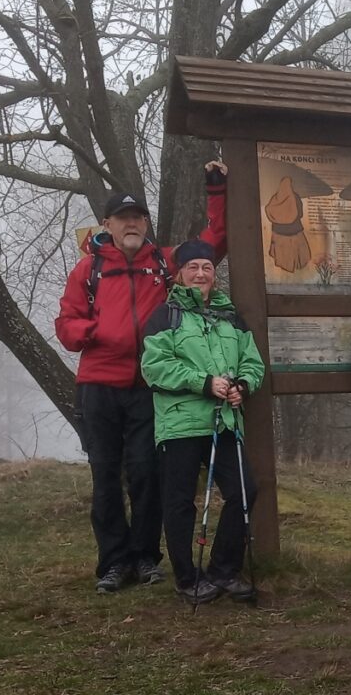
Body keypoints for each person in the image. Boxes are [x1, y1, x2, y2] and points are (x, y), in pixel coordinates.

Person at [55, 162, 229, 594]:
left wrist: (216, 189)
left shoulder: (166, 263)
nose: (130, 225)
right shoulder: (88, 270)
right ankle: (114, 562)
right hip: (98, 387)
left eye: (138, 219)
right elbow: (66, 325)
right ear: (108, 224)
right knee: (106, 476)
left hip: (149, 388)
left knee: (147, 473)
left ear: (146, 225)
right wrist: (99, 333)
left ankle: (147, 557)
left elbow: (214, 242)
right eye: (122, 219)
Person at [140, 239, 265, 606]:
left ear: (214, 274)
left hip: (224, 422)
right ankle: (186, 577)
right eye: (192, 267)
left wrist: (243, 385)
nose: (200, 273)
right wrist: (204, 382)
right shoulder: (165, 315)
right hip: (179, 425)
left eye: (206, 268)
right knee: (179, 502)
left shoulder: (230, 317)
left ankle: (224, 569)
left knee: (245, 492)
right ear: (179, 274)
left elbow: (252, 363)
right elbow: (154, 367)